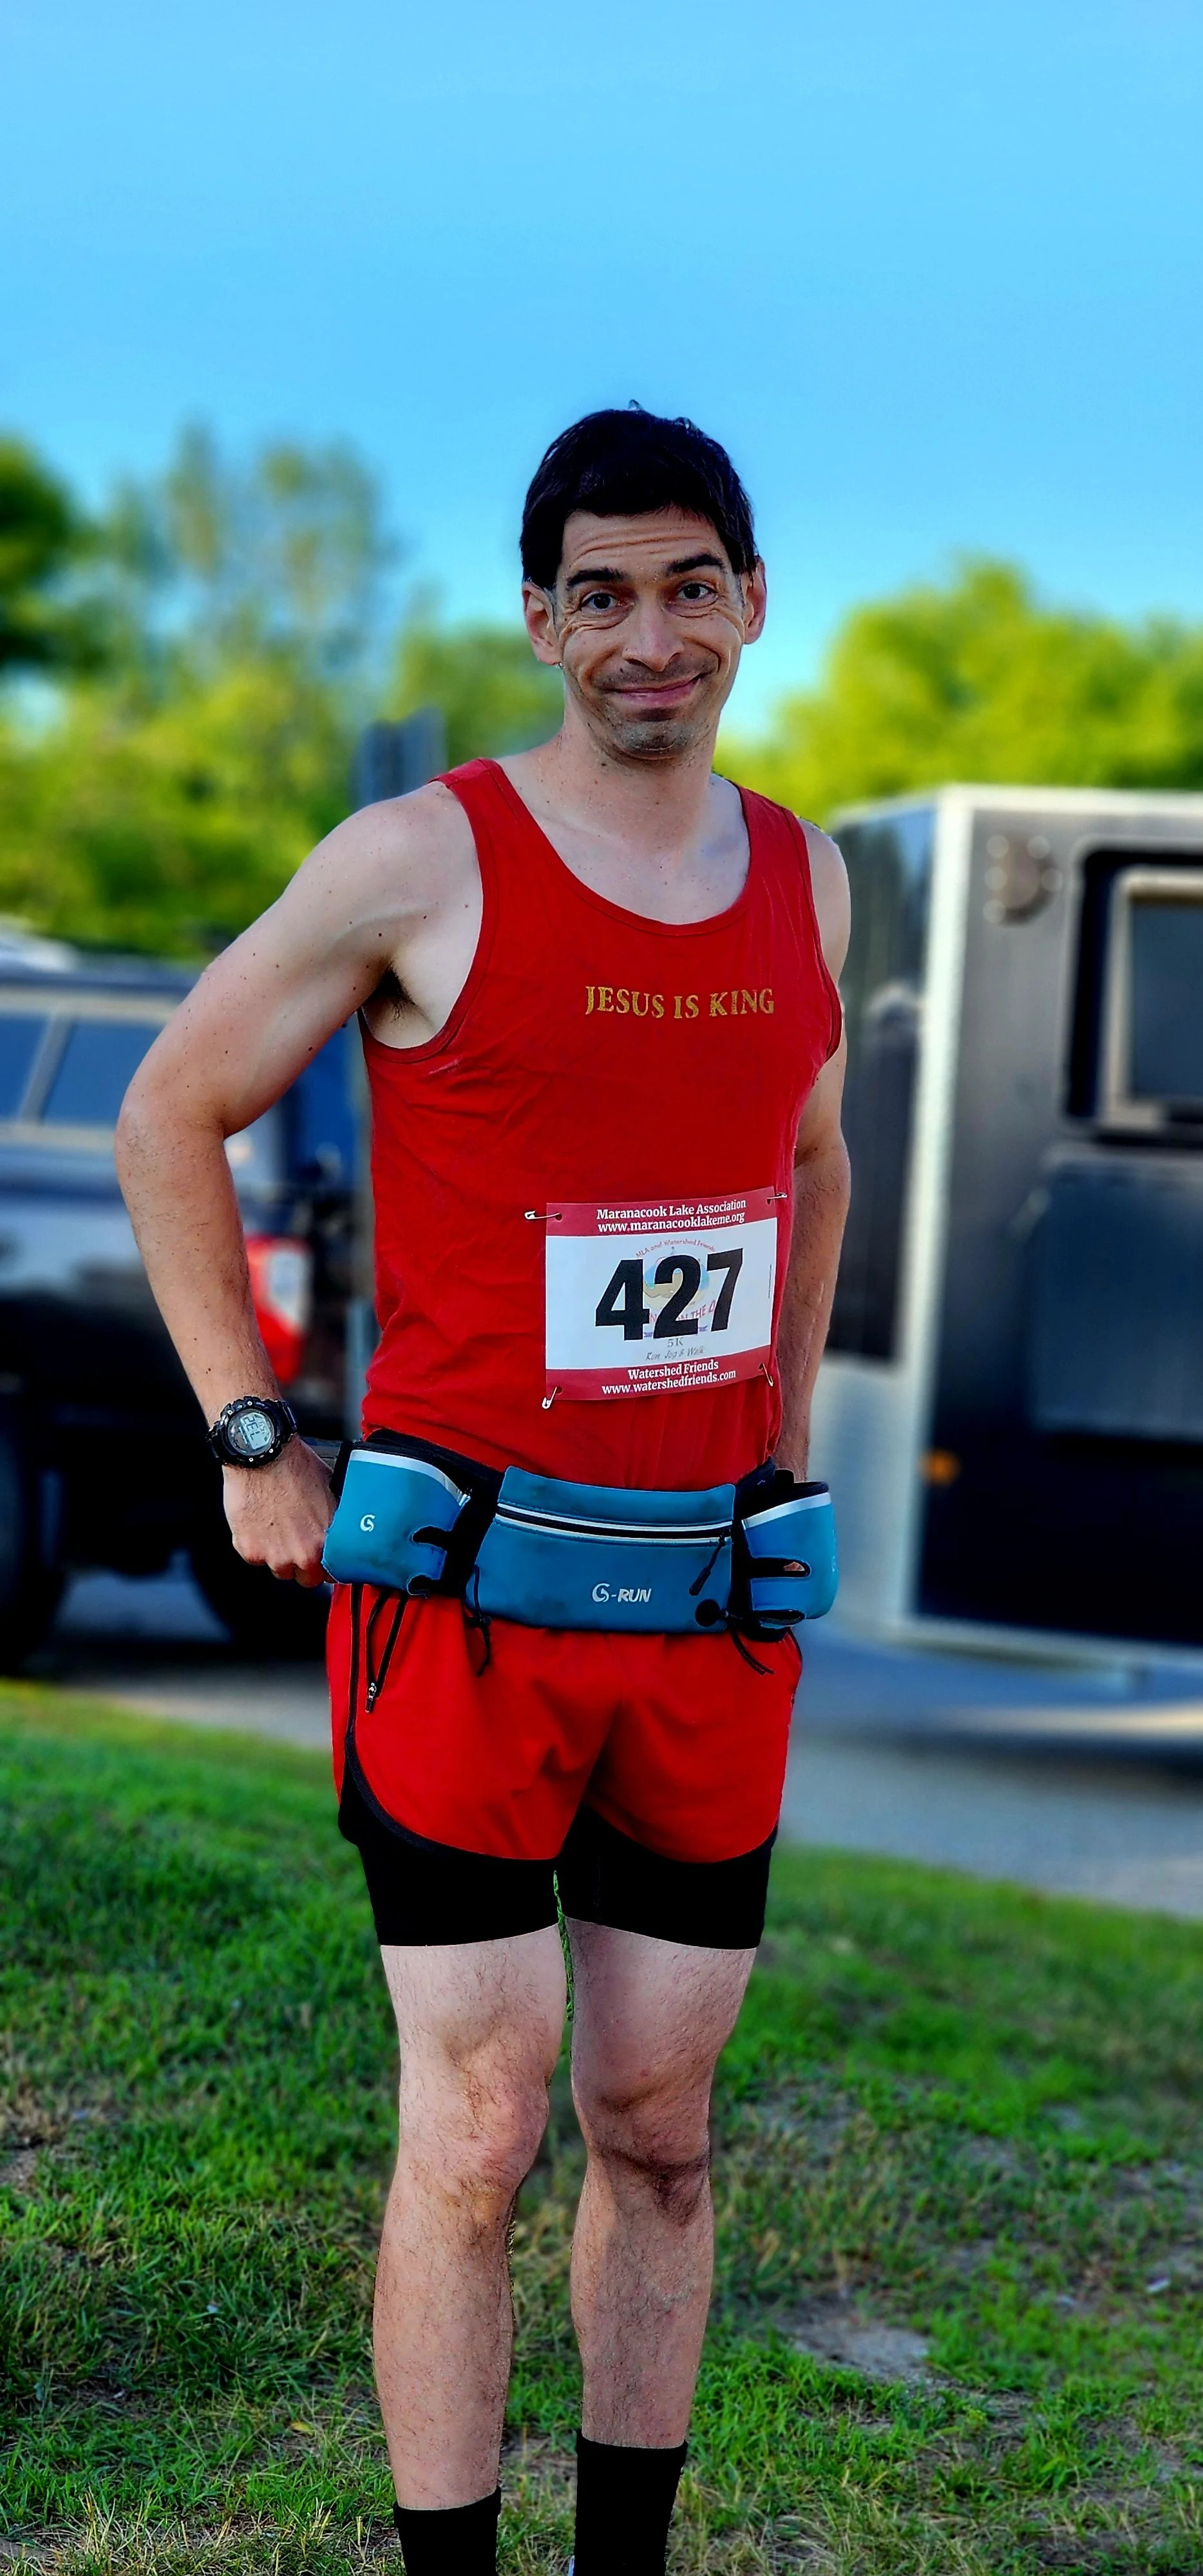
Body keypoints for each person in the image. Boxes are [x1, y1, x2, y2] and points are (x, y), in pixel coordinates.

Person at [117, 404, 850, 2576]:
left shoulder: (810, 871)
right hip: (464, 1616)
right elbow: (171, 1111)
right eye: (600, 596)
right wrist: (253, 1434)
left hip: (704, 1618)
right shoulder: (415, 858)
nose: (649, 639)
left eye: (689, 587)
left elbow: (803, 1166)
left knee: (658, 2125)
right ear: (541, 620)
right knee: (476, 2127)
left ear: (747, 605)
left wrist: (782, 1441)